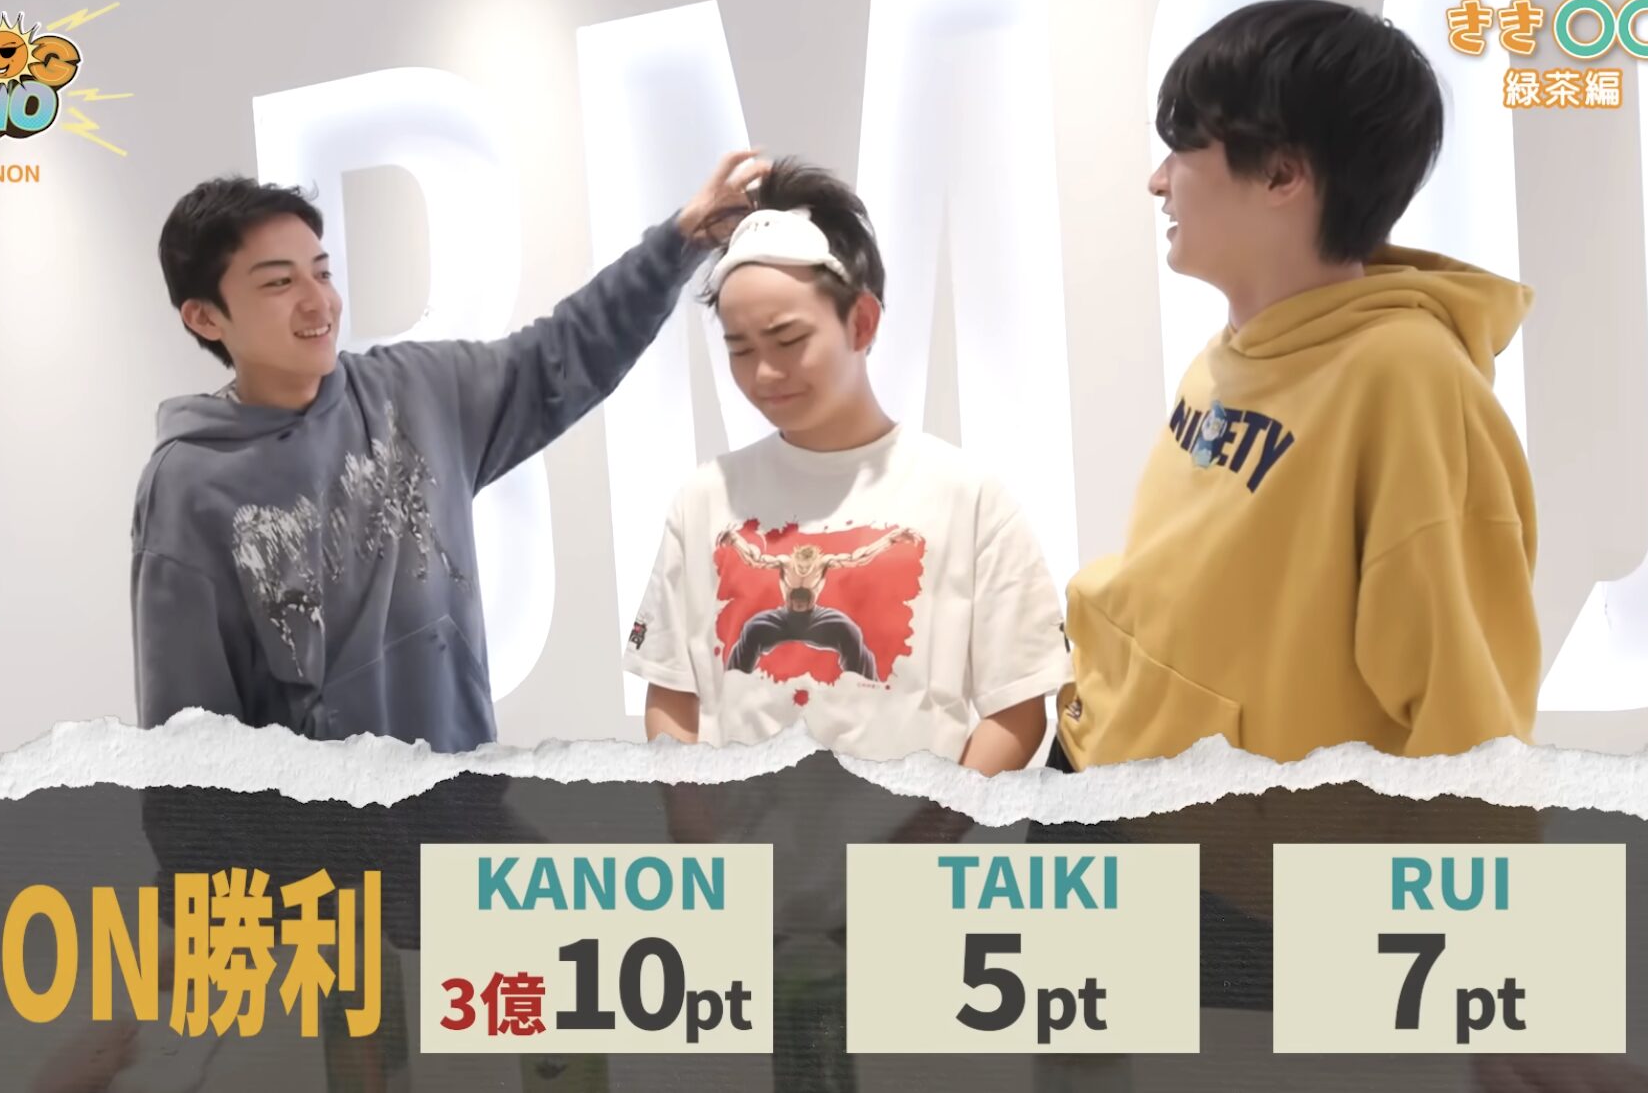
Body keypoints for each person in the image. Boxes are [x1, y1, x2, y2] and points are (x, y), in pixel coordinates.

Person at [133, 149, 770, 750]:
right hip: (314, 832)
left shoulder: (418, 393)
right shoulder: (190, 482)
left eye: (321, 272)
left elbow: (563, 353)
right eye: (278, 283)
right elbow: (188, 735)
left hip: (464, 812)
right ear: (205, 317)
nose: (317, 301)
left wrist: (681, 241)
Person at [1051, 0, 1540, 769]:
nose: (1157, 181)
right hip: (1101, 762)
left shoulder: (1408, 381)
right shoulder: (1224, 356)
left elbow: (1469, 722)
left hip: (1208, 831)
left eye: (1182, 148)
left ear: (1281, 173)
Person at [625, 159, 1069, 773]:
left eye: (788, 341)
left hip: (919, 835)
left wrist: (936, 829)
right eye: (740, 348)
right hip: (743, 835)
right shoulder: (705, 499)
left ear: (861, 322)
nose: (764, 373)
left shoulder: (967, 498)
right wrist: (696, 819)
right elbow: (672, 694)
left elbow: (1017, 709)